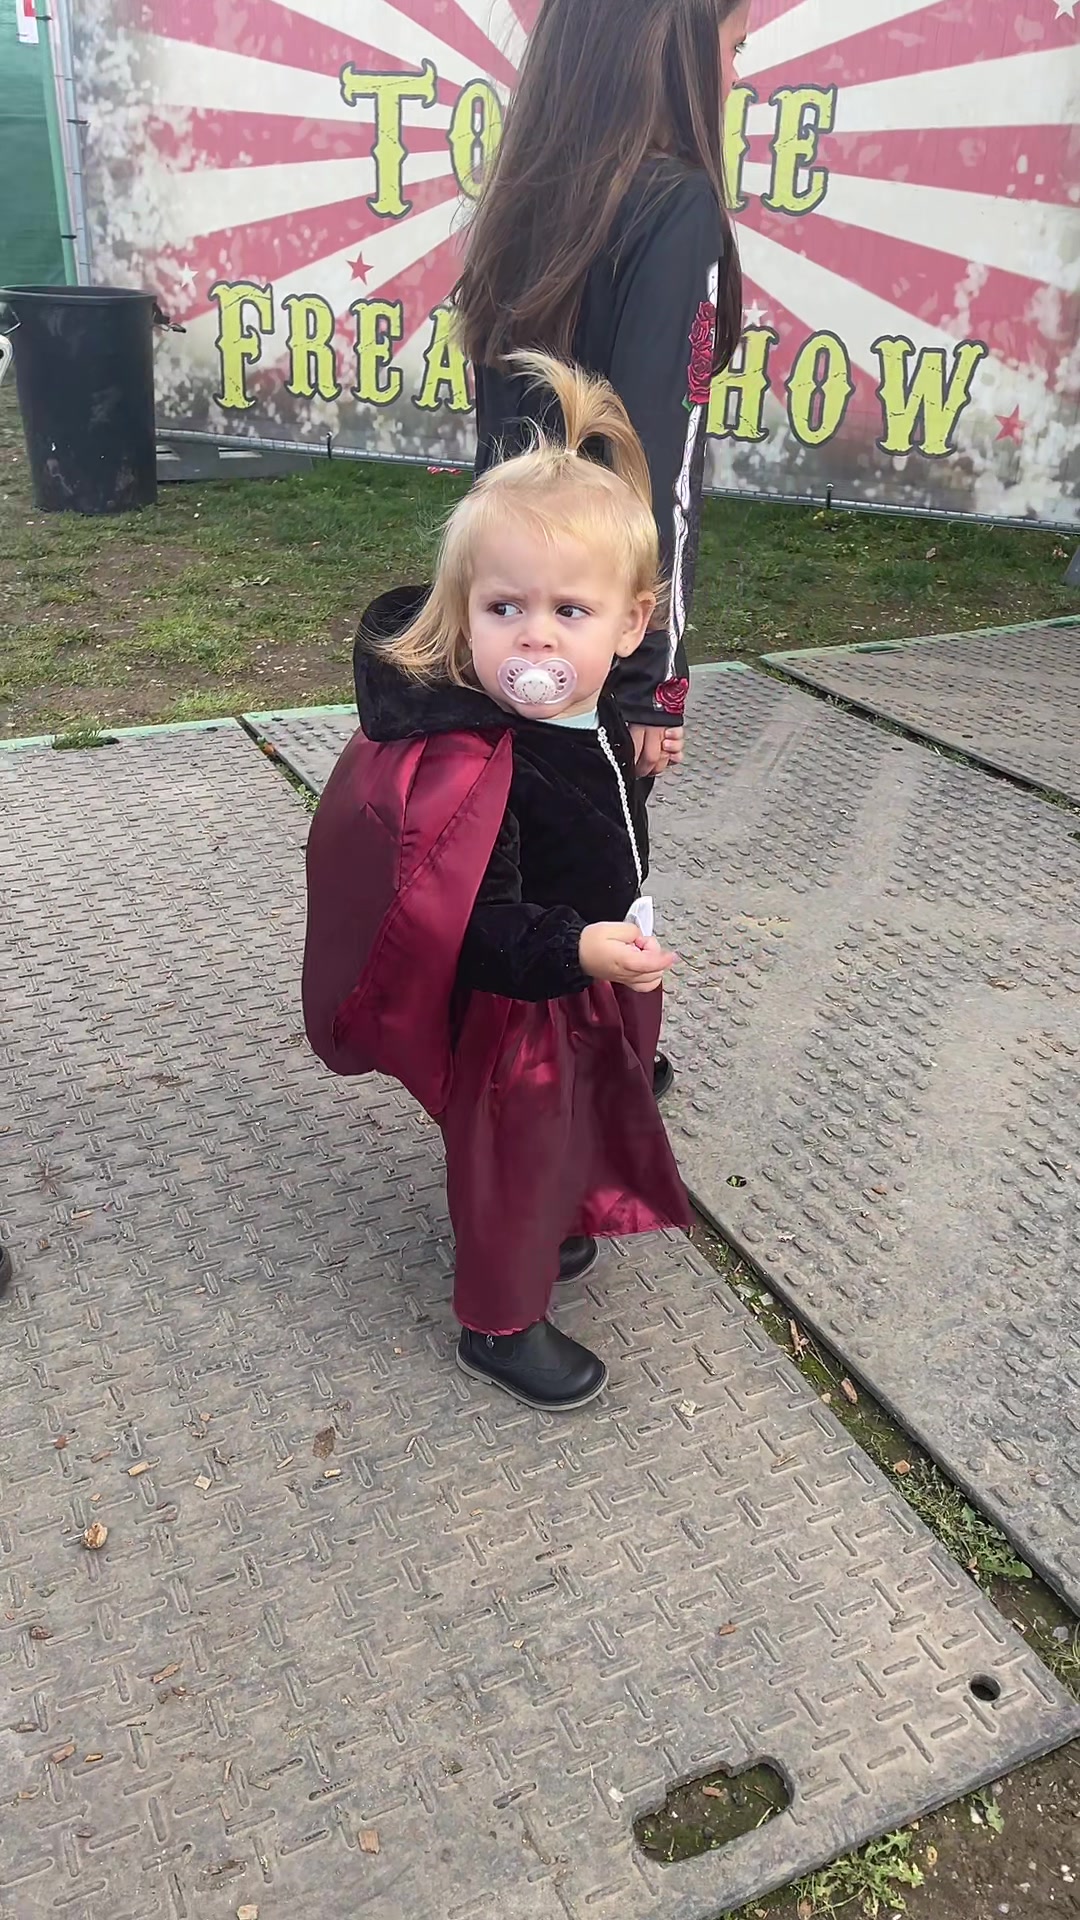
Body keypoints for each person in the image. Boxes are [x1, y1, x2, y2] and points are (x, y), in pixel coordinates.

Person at [303, 356, 690, 1412]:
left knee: (574, 1126)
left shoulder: (591, 716)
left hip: (590, 968)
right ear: (462, 612)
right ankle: (499, 1322)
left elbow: (600, 814)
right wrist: (578, 948)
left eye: (571, 611)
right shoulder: (482, 765)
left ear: (630, 624)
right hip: (520, 1005)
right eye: (505, 606)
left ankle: (558, 1218)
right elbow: (476, 925)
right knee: (514, 1157)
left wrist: (636, 763)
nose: (536, 638)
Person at [455, 0, 750, 1095]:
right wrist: (649, 680)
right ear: (670, 37)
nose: (739, 64)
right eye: (733, 38)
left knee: (509, 863)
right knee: (594, 873)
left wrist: (484, 619)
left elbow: (497, 452)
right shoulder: (675, 201)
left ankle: (503, 1080)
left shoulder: (529, 198)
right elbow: (658, 460)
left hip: (499, 614)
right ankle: (576, 1100)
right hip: (595, 635)